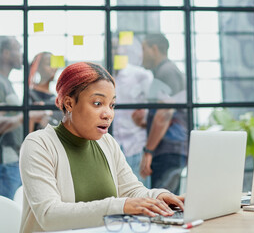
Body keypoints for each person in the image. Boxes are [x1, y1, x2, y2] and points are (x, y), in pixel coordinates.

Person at [19, 62, 184, 233]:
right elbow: (49, 215)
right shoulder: (39, 145)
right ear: (69, 103)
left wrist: (159, 198)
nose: (108, 114)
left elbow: (131, 190)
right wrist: (121, 206)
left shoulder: (107, 143)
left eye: (112, 105)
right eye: (98, 103)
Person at [0, 36, 47, 199]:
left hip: (11, 160)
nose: (21, 54)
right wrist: (27, 115)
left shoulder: (5, 83)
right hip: (3, 161)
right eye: (18, 49)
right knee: (4, 212)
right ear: (5, 53)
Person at [139, 33, 188, 195]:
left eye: (143, 49)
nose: (141, 54)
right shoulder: (164, 72)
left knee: (163, 202)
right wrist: (144, 121)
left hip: (168, 149)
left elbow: (164, 114)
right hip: (168, 148)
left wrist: (148, 151)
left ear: (154, 49)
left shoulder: (167, 72)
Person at [112, 35, 153, 188]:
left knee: (141, 196)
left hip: (136, 144)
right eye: (111, 47)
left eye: (117, 47)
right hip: (113, 146)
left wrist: (145, 118)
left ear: (125, 50)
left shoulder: (141, 75)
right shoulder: (102, 76)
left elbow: (156, 107)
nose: (114, 51)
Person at [28, 52, 62, 131]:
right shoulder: (31, 95)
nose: (53, 68)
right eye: (49, 64)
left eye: (54, 64)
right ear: (38, 68)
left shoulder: (56, 97)